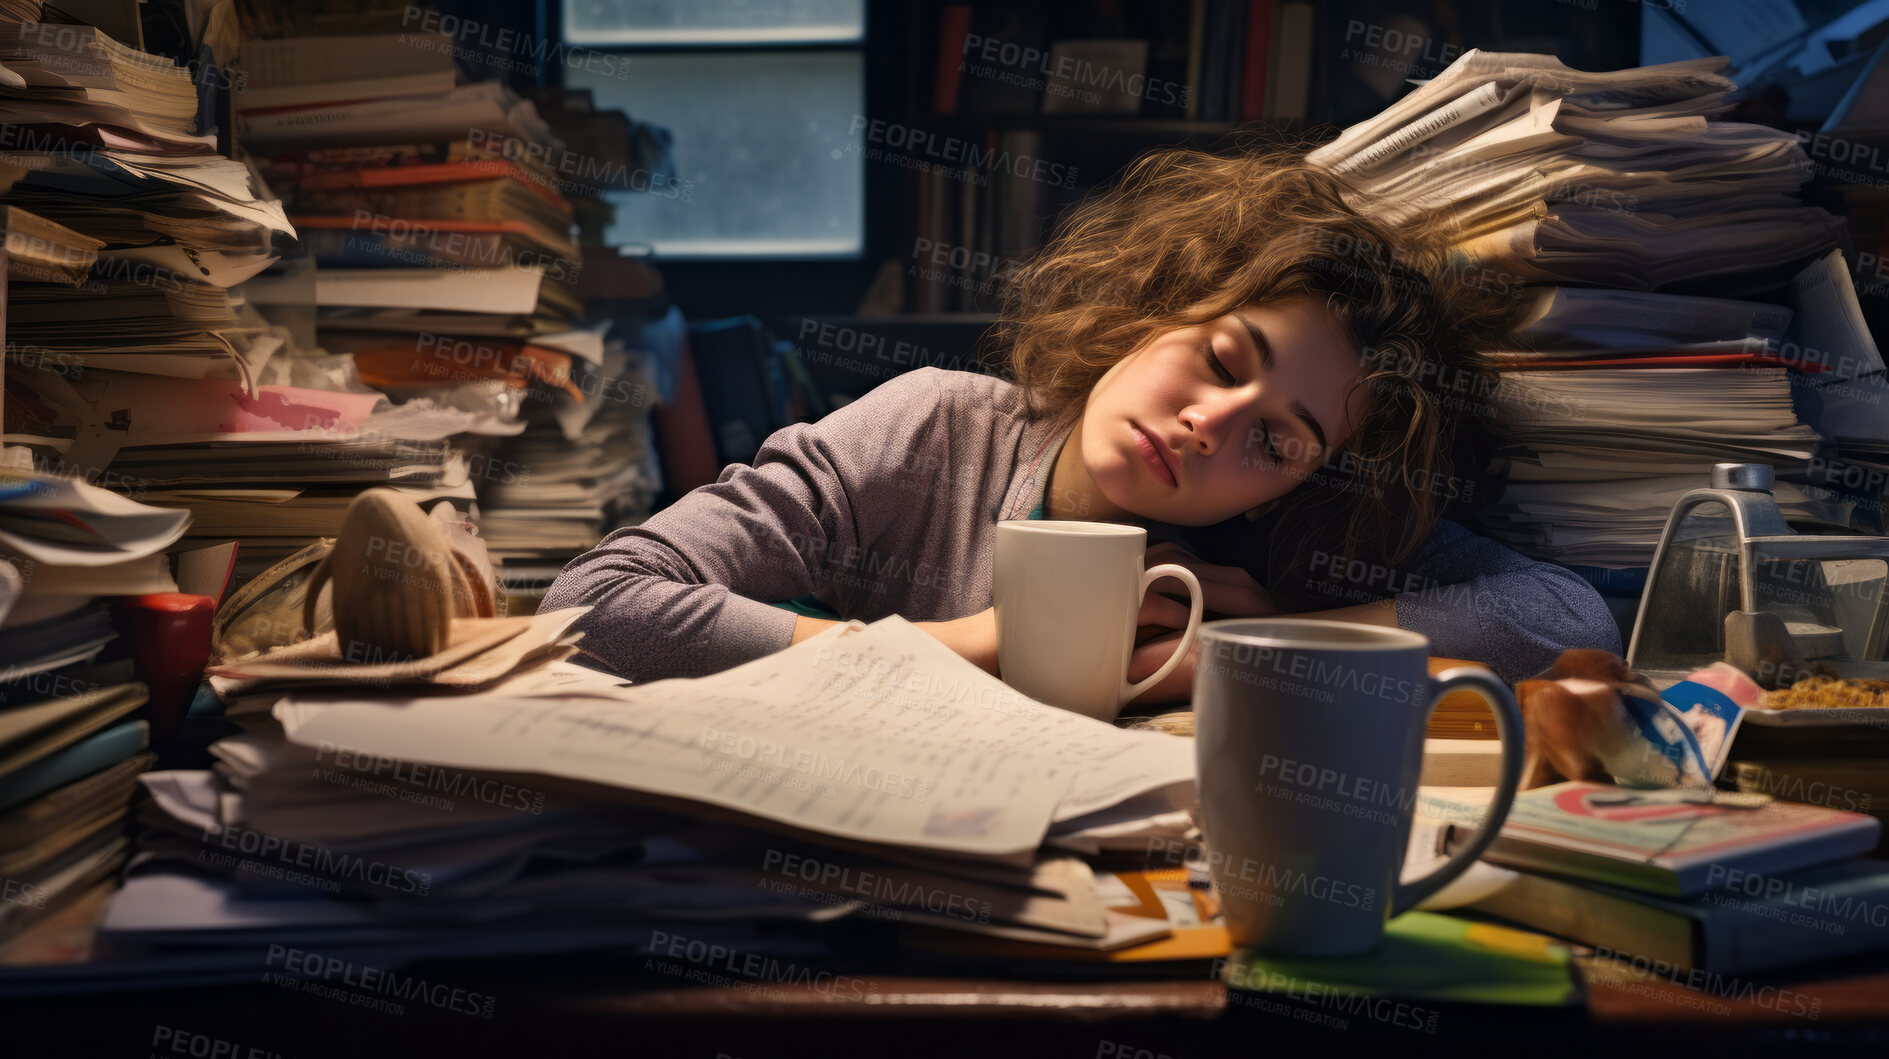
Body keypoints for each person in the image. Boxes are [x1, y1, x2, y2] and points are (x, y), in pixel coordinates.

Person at [541, 148, 1622, 699]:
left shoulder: (1300, 542)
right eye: (1218, 360)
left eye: (1275, 442)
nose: (1209, 426)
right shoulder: (931, 433)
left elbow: (1560, 618)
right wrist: (986, 646)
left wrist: (1249, 646)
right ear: (1160, 308)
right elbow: (594, 607)